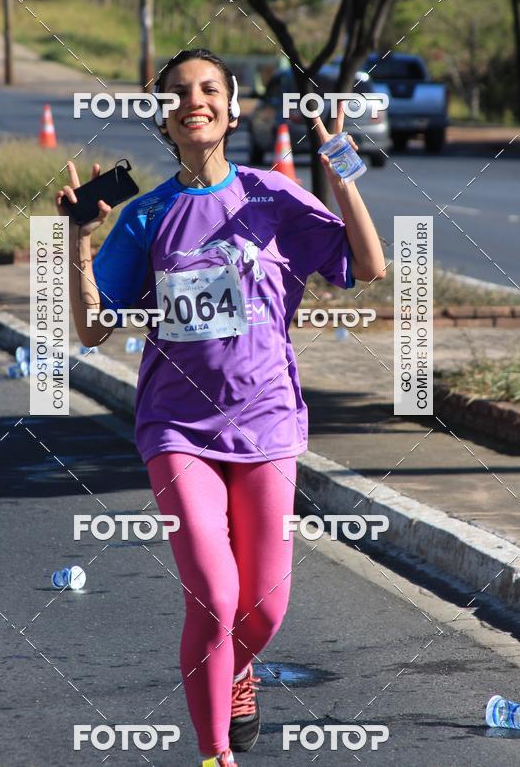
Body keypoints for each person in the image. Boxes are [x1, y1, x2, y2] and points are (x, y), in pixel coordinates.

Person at [55, 48, 386, 766]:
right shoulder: (146, 216)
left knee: (262, 608)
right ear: (163, 118)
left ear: (233, 110)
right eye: (177, 93)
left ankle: (233, 669)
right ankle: (214, 755)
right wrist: (78, 243)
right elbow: (91, 328)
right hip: (177, 429)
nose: (193, 101)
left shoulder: (273, 196)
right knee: (212, 595)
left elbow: (367, 266)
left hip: (266, 423)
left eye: (209, 89)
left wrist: (342, 173)